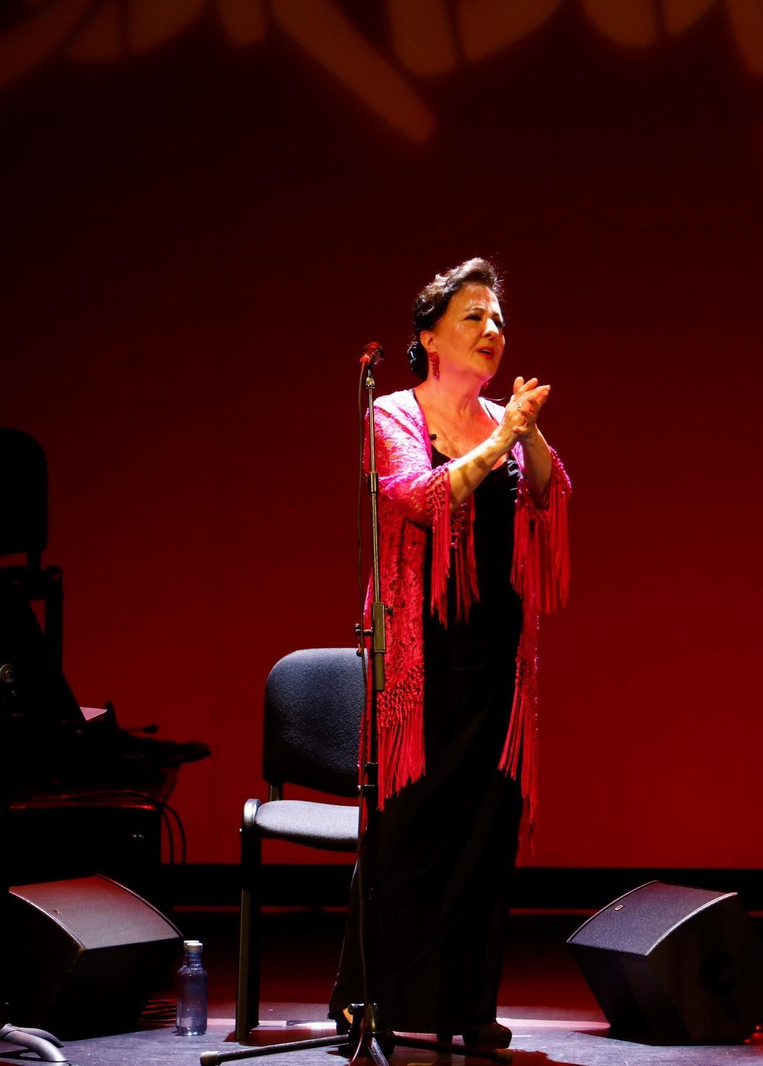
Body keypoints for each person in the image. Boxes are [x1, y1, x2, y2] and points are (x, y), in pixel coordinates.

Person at [329, 258, 570, 1048]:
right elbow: (418, 498)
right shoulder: (393, 416)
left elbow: (550, 492)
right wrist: (502, 435)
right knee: (412, 825)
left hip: (498, 655)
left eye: (498, 319)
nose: (491, 331)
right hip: (420, 659)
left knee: (486, 827)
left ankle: (468, 1010)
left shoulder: (506, 417)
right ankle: (378, 1002)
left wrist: (523, 436)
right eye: (473, 317)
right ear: (428, 336)